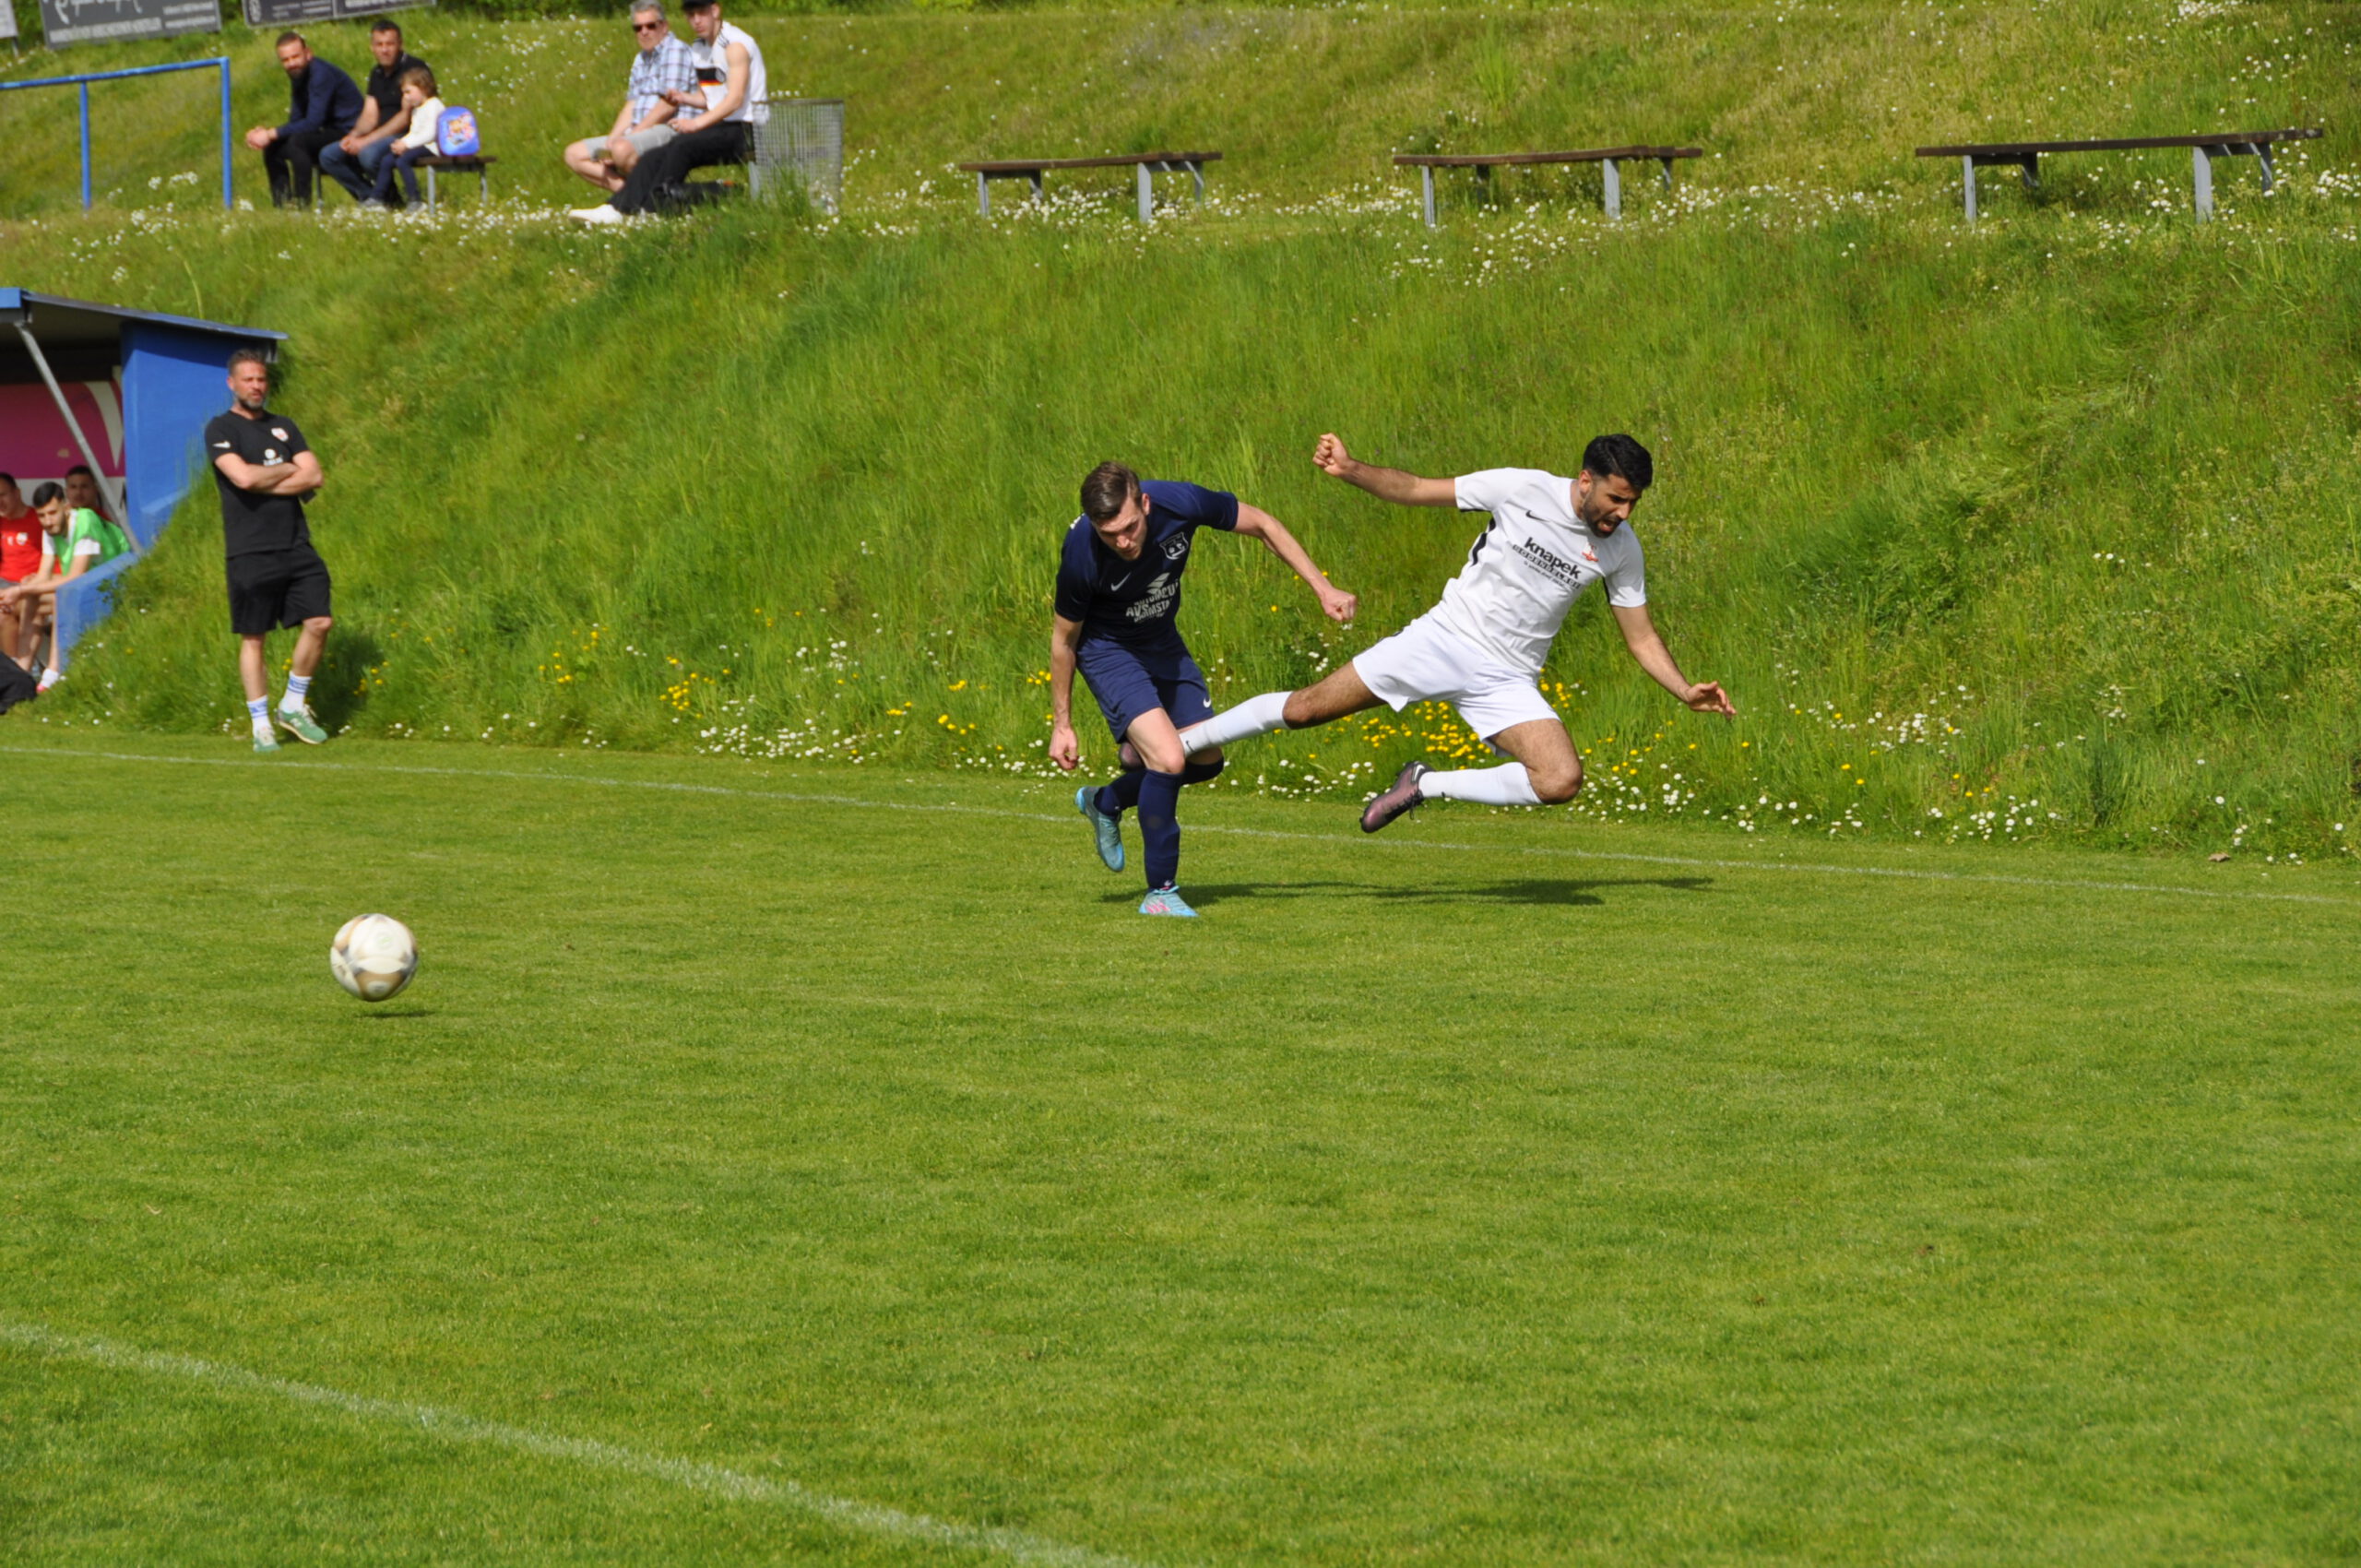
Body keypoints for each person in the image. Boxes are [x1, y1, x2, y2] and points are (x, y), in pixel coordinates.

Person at [1178, 433, 1736, 833]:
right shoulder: (1521, 489)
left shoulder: (1622, 550)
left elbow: (1641, 637)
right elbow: (1416, 488)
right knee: (1305, 710)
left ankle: (1422, 784)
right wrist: (1351, 470)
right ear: (1586, 481)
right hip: (1442, 641)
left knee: (1559, 779)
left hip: (1508, 677)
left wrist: (1684, 690)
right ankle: (1181, 744)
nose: (1624, 513)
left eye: (1633, 502)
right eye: (1616, 498)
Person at [1050, 462, 1357, 917]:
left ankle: (1106, 801)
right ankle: (1160, 893)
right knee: (1169, 758)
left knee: (1205, 761)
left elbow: (1263, 524)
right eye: (1110, 534)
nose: (1124, 542)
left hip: (1161, 640)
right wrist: (1063, 724)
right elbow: (1064, 641)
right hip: (1108, 649)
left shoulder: (1180, 503)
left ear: (1145, 504)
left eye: (1130, 528)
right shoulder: (1082, 552)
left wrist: (1323, 587)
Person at [204, 350, 335, 753]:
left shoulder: (284, 426)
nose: (256, 386)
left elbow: (315, 475)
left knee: (320, 621)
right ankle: (261, 724)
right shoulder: (220, 428)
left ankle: (292, 705)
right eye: (248, 379)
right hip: (250, 549)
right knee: (254, 637)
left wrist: (267, 479)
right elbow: (242, 478)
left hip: (295, 543)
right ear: (232, 383)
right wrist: (287, 469)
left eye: (261, 379)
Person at [571, 0, 765, 224]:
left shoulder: (735, 45)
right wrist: (684, 97)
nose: (696, 21)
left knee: (682, 145)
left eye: (701, 13)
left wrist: (696, 123)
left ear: (715, 10)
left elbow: (734, 100)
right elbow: (710, 98)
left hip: (749, 129)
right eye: (690, 15)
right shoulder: (700, 48)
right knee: (653, 156)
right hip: (724, 126)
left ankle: (650, 208)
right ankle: (618, 208)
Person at [0, 482, 132, 695]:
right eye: (42, 515)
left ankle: (53, 672)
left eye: (52, 513)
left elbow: (75, 577)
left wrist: (19, 591)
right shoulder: (49, 528)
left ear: (66, 506)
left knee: (61, 595)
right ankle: (23, 673)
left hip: (119, 581)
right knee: (32, 595)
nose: (47, 521)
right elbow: (43, 576)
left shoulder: (85, 520)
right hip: (89, 583)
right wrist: (15, 593)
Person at [564, 2, 693, 198]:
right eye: (638, 28)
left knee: (622, 150)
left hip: (670, 127)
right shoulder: (641, 59)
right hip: (638, 130)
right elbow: (632, 104)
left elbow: (668, 105)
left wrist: (629, 137)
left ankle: (638, 200)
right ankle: (632, 198)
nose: (644, 32)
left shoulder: (675, 51)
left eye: (650, 26)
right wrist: (612, 139)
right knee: (574, 154)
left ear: (664, 26)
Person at [320, 19, 433, 207]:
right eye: (379, 44)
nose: (384, 50)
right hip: (381, 135)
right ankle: (369, 197)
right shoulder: (377, 73)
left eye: (390, 44)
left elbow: (405, 118)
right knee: (329, 155)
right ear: (372, 47)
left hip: (410, 134)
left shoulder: (414, 69)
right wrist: (353, 136)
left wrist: (365, 141)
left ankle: (391, 201)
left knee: (368, 154)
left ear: (400, 44)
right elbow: (369, 115)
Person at [244, 32, 362, 209]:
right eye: (285, 60)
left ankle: (302, 204)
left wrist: (270, 133)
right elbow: (297, 120)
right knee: (274, 147)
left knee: (298, 142)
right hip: (327, 130)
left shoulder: (321, 74)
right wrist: (267, 137)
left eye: (295, 57)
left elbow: (314, 122)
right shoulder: (298, 76)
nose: (291, 63)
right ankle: (282, 204)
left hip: (350, 131)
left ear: (308, 53)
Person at [366, 66, 445, 210]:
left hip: (433, 147)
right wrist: (401, 143)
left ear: (423, 88)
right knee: (387, 160)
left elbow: (431, 133)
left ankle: (415, 200)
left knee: (403, 160)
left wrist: (406, 144)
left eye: (408, 92)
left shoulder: (434, 105)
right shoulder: (417, 109)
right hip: (419, 146)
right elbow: (414, 132)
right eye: (403, 93)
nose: (406, 97)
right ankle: (378, 198)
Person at [0, 474, 39, 668]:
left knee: (3, 614)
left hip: (30, 590)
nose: (0, 502)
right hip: (3, 587)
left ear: (17, 493)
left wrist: (35, 579)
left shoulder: (39, 519)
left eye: (3, 495)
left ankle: (19, 674)